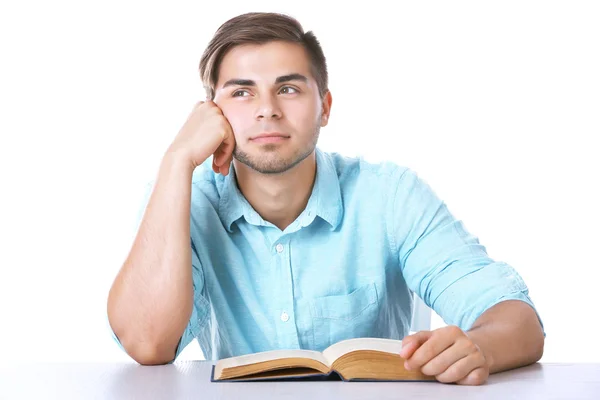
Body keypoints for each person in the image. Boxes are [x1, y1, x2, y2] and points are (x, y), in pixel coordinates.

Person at [107, 12, 545, 385]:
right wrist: (177, 160)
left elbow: (518, 322)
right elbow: (147, 344)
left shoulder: (389, 195)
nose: (267, 110)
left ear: (325, 107)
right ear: (210, 112)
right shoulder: (182, 196)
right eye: (242, 92)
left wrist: (479, 348)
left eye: (289, 88)